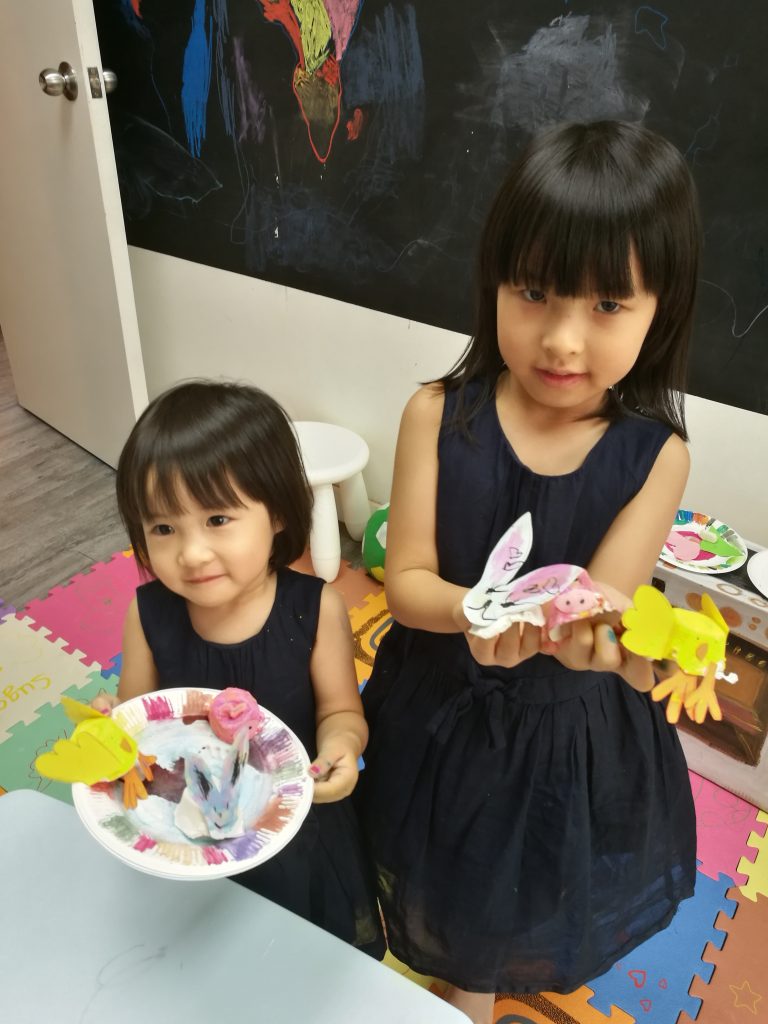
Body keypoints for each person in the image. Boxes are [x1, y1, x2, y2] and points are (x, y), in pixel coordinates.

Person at [356, 120, 701, 1022]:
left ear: (661, 307)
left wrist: (626, 654)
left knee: (524, 877)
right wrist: (480, 614)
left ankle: (484, 980)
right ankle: (458, 986)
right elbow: (406, 584)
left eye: (608, 306)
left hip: (563, 734)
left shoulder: (656, 457)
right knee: (437, 866)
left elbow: (607, 613)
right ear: (495, 284)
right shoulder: (435, 414)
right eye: (536, 292)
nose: (562, 339)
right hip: (437, 706)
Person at [94, 379, 385, 959]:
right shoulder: (147, 612)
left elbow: (339, 710)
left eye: (218, 519)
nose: (192, 552)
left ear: (276, 512)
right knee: (206, 951)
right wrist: (110, 734)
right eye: (163, 528)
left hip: (291, 824)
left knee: (299, 950)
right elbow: (139, 722)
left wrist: (339, 750)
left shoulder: (315, 608)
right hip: (186, 822)